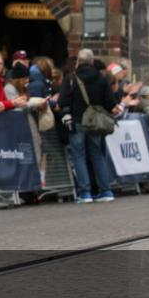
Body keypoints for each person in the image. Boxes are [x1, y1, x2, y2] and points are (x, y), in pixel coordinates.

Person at [58, 48, 118, 203]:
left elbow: (62, 102)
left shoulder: (71, 78)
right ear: (92, 62)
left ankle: (85, 193)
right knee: (98, 155)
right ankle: (106, 191)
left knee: (79, 156)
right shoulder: (102, 78)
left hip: (77, 122)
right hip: (95, 123)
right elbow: (111, 104)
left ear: (78, 62)